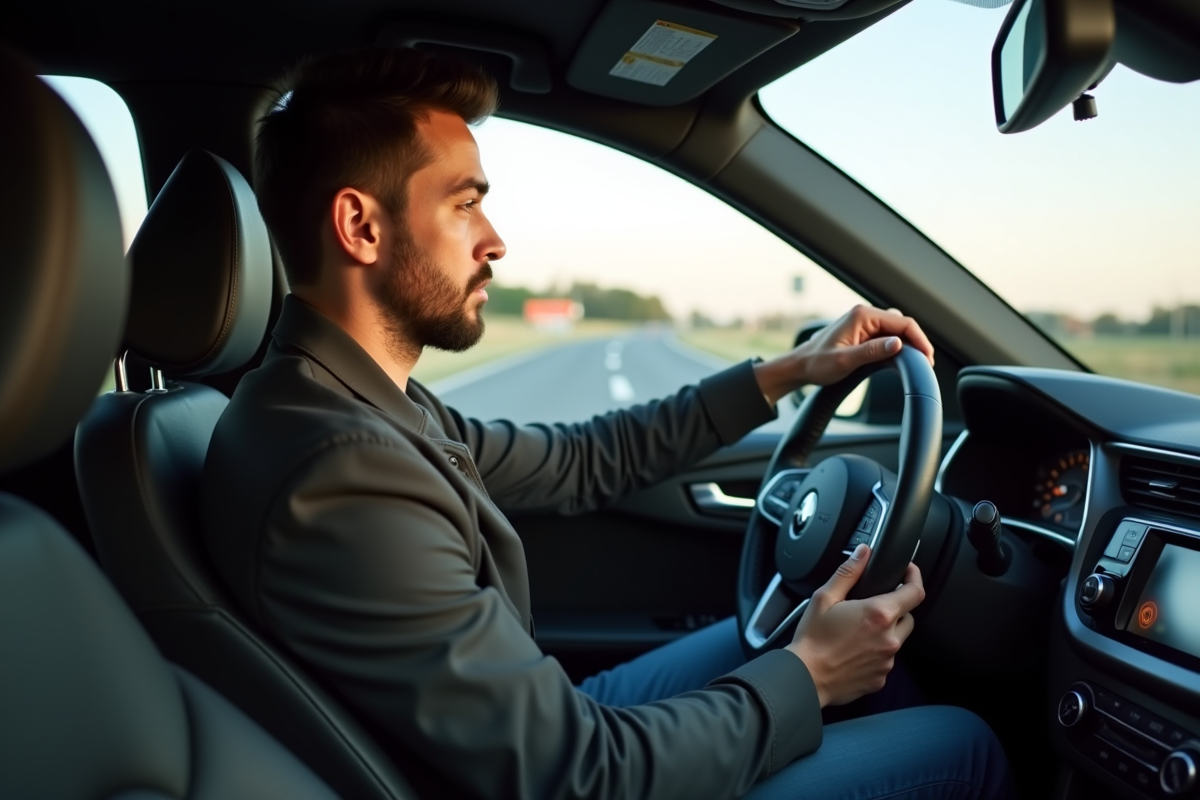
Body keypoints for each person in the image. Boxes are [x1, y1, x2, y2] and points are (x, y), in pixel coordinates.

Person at [201, 47, 1013, 800]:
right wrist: (810, 677)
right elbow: (584, 773)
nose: (496, 242)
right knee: (963, 740)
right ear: (361, 227)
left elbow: (583, 459)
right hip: (568, 766)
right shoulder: (341, 468)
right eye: (465, 205)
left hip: (539, 730)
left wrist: (791, 371)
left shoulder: (353, 404)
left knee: (806, 645)